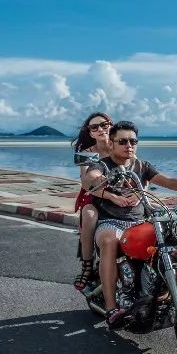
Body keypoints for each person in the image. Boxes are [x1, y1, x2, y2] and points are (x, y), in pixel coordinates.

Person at [83, 121, 177, 328]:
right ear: (111, 143)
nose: (128, 145)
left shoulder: (142, 166)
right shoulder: (103, 165)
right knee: (109, 241)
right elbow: (92, 177)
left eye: (133, 141)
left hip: (140, 222)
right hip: (110, 221)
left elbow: (166, 181)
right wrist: (103, 179)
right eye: (122, 141)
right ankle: (112, 308)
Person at [70, 112, 116, 291]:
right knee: (88, 215)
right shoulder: (87, 153)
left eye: (104, 125)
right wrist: (100, 180)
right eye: (94, 127)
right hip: (94, 194)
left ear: (111, 125)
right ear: (90, 133)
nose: (100, 129)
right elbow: (86, 183)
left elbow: (138, 167)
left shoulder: (121, 146)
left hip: (122, 192)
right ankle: (87, 265)